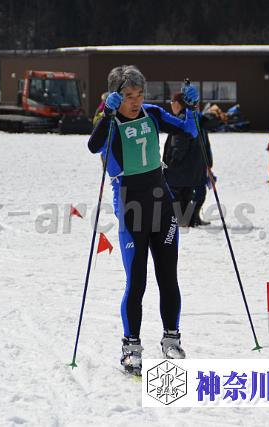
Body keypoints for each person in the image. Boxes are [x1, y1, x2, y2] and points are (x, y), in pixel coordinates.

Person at [87, 65, 199, 375]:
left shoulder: (152, 114)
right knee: (136, 281)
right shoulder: (109, 122)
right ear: (114, 96)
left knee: (168, 277)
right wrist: (107, 113)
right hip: (131, 208)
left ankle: (171, 339)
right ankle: (131, 348)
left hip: (162, 207)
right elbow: (93, 146)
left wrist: (191, 108)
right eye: (128, 96)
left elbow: (189, 131)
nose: (135, 101)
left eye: (139, 94)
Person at [162, 92, 214, 227]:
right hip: (196, 167)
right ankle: (191, 219)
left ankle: (184, 220)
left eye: (172, 102)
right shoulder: (196, 118)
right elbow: (206, 144)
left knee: (180, 194)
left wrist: (170, 163)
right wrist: (208, 163)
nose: (171, 106)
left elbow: (178, 145)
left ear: (177, 104)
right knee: (192, 194)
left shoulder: (181, 120)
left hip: (181, 169)